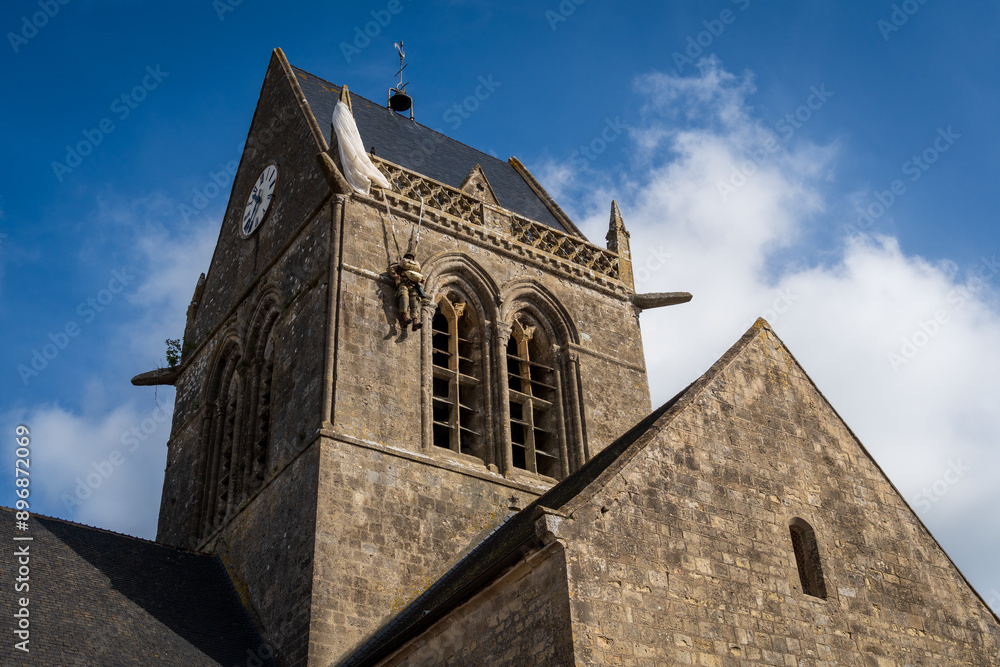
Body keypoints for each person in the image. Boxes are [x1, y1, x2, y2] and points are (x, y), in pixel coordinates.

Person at [391, 252, 425, 330]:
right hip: (404, 283)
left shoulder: (415, 268)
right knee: (404, 298)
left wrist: (422, 280)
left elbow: (417, 276)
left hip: (413, 286)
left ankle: (415, 323)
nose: (410, 258)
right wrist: (396, 276)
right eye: (408, 257)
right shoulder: (401, 265)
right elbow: (391, 269)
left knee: (414, 302)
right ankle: (404, 319)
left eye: (411, 257)